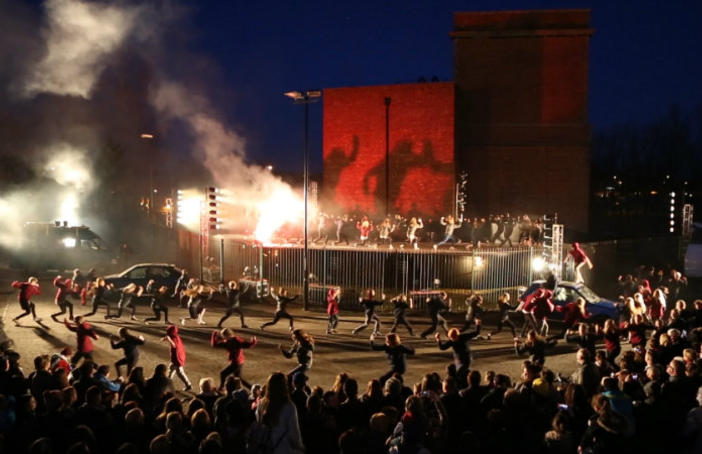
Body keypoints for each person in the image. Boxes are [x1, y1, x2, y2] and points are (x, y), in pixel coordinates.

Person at [251, 372, 305, 454]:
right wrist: (300, 448)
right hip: (282, 449)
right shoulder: (289, 407)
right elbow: (294, 434)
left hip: (265, 447)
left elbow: (259, 423)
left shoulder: (262, 404)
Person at [436, 325, 480, 389]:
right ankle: (461, 383)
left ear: (457, 335)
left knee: (459, 373)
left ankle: (457, 386)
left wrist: (478, 325)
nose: (453, 339)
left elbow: (476, 333)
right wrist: (438, 340)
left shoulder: (463, 337)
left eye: (454, 338)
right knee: (458, 372)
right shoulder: (451, 341)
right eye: (451, 338)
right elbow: (442, 347)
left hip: (466, 360)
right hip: (457, 360)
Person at [162, 325, 192, 391]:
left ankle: (188, 384)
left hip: (177, 358)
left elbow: (174, 346)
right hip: (175, 358)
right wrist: (167, 339)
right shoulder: (175, 336)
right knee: (171, 369)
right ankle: (168, 382)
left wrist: (169, 340)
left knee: (180, 373)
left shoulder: (173, 338)